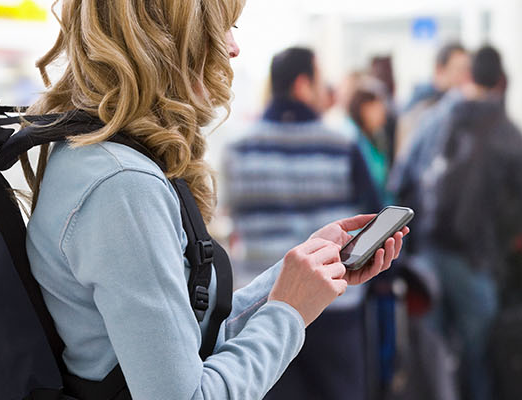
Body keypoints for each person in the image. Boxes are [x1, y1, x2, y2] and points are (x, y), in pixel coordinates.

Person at [22, 3, 406, 399]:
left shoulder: (91, 158)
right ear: (166, 35)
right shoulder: (125, 186)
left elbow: (184, 340)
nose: (234, 47)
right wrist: (287, 313)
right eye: (223, 26)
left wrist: (293, 280)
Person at [221, 47, 389, 399]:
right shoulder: (341, 143)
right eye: (319, 81)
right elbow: (372, 214)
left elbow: (231, 215)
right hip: (332, 301)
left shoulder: (237, 147)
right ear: (301, 85)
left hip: (263, 305)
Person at [421, 46, 522, 400]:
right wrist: (503, 242)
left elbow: (408, 180)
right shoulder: (508, 132)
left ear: (469, 78)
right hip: (476, 259)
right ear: (502, 82)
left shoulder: (439, 122)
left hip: (429, 251)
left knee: (434, 353)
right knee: (480, 355)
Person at [396, 43, 471, 160]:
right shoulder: (419, 109)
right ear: (439, 70)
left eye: (468, 70)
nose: (465, 77)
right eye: (459, 70)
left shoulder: (465, 109)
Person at [342, 73, 394, 202]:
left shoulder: (376, 137)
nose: (383, 113)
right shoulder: (350, 137)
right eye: (378, 108)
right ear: (364, 108)